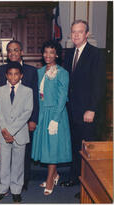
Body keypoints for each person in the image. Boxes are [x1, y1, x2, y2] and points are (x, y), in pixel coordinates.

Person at [60, 20, 106, 190]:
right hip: (72, 110)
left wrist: (92, 108)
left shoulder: (96, 54)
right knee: (75, 146)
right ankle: (74, 177)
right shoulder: (70, 54)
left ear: (87, 34)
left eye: (80, 32)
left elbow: (99, 84)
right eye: (73, 32)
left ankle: (87, 187)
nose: (76, 35)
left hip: (88, 111)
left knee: (87, 149)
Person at [0, 40, 39, 191]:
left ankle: (21, 183)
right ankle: (5, 186)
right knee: (5, 158)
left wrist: (33, 119)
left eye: (16, 50)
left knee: (22, 155)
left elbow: (34, 99)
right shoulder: (0, 70)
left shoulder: (31, 71)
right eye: (10, 50)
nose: (13, 53)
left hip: (24, 123)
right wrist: (5, 128)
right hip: (5, 124)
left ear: (21, 52)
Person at [31, 40, 72, 195]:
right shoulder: (39, 71)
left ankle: (50, 180)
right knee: (45, 147)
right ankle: (54, 174)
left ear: (56, 54)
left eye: (51, 52)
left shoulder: (62, 72)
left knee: (52, 148)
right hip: (42, 113)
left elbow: (62, 97)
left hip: (56, 115)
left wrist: (55, 119)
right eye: (45, 52)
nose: (48, 55)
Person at [0, 62, 33, 203]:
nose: (13, 77)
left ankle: (16, 189)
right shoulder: (0, 91)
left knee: (18, 163)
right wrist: (5, 130)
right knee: (4, 163)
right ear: (6, 75)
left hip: (20, 134)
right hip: (2, 133)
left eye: (16, 74)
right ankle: (3, 188)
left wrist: (11, 131)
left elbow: (27, 113)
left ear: (21, 75)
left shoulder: (28, 91)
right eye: (10, 74)